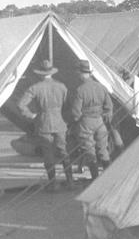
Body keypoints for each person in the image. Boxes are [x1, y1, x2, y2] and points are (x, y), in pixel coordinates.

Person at [16, 59, 74, 190]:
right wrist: (64, 118)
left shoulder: (35, 88)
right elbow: (68, 106)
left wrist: (31, 115)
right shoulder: (62, 86)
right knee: (63, 151)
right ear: (52, 73)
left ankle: (53, 183)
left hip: (43, 123)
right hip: (60, 122)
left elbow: (20, 104)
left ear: (40, 74)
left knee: (48, 153)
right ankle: (70, 181)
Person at [67, 59, 114, 181]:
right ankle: (108, 177)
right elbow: (109, 107)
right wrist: (105, 117)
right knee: (103, 150)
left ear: (82, 73)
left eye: (78, 73)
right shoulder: (101, 87)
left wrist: (75, 123)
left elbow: (76, 112)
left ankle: (94, 180)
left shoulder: (80, 90)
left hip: (86, 123)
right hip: (100, 122)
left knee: (89, 151)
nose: (77, 75)